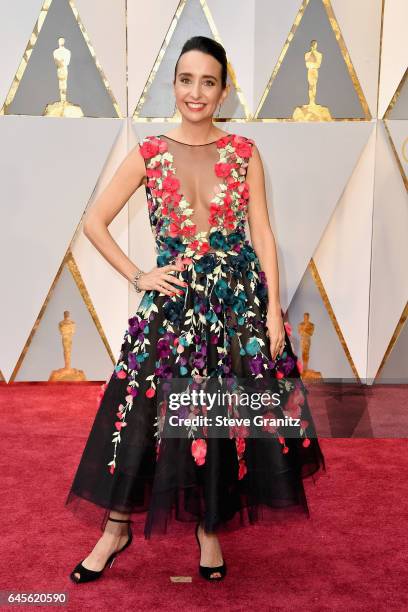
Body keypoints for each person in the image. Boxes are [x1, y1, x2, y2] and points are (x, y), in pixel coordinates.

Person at [66, 35, 326, 584]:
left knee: (220, 415)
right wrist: (140, 275)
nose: (196, 92)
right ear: (174, 84)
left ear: (224, 90)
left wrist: (275, 309)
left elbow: (263, 234)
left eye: (208, 81)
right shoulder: (150, 153)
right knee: (139, 414)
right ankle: (116, 529)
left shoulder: (246, 153)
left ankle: (209, 529)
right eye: (187, 80)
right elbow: (93, 222)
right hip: (175, 304)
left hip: (235, 304)